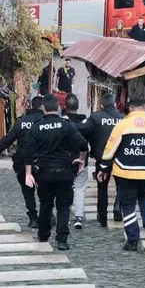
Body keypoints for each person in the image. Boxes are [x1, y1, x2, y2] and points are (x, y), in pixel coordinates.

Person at [98, 97, 145, 251]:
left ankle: (133, 239)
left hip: (125, 172)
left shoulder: (122, 126)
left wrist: (104, 167)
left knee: (128, 205)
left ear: (129, 109)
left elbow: (110, 149)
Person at [25, 95, 88, 251]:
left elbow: (28, 153)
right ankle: (62, 240)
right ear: (59, 108)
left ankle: (44, 234)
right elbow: (83, 144)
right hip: (64, 171)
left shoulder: (36, 127)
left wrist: (28, 173)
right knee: (63, 207)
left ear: (43, 109)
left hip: (44, 172)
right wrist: (80, 160)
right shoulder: (66, 125)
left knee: (46, 204)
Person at [0, 96, 46, 228]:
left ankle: (33, 217)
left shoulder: (21, 122)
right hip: (42, 161)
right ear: (43, 107)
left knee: (28, 191)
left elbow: (7, 139)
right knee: (45, 189)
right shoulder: (46, 121)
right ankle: (48, 214)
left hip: (22, 161)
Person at [79, 93, 125, 227]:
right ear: (115, 104)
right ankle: (118, 206)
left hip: (102, 157)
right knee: (121, 186)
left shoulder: (95, 117)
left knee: (102, 188)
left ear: (101, 105)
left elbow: (81, 131)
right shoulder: (123, 118)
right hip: (120, 158)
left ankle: (102, 217)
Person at [62, 94, 88, 229]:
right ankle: (78, 217)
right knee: (79, 189)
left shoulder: (62, 122)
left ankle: (65, 217)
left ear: (65, 106)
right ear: (78, 107)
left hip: (65, 160)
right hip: (82, 161)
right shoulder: (86, 123)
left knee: (65, 189)